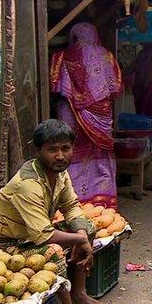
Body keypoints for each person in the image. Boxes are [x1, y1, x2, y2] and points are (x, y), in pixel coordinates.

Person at [0, 120, 108, 304]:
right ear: (38, 151)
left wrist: (81, 235)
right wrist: (80, 241)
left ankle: (79, 295)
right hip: (1, 241)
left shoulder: (59, 173)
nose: (60, 156)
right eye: (52, 150)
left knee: (86, 226)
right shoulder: (27, 184)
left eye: (65, 148)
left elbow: (71, 207)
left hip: (30, 235)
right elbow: (43, 236)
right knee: (53, 252)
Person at [50, 22, 122, 210]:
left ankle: (73, 199)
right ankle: (103, 199)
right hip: (101, 116)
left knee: (72, 151)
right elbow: (115, 88)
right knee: (100, 153)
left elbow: (55, 86)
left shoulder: (62, 56)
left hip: (71, 113)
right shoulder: (106, 55)